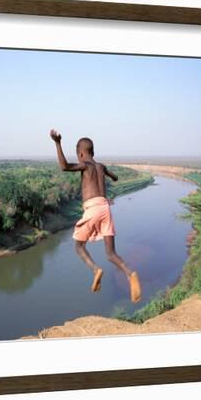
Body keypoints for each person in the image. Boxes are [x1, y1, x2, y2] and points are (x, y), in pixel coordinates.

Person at [49, 129, 142, 303]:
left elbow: (64, 167)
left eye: (78, 155)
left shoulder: (85, 165)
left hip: (92, 208)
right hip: (106, 208)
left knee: (78, 246)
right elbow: (114, 177)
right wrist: (110, 176)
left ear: (81, 154)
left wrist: (57, 143)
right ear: (94, 152)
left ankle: (95, 269)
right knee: (111, 254)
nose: (79, 158)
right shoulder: (101, 166)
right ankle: (130, 274)